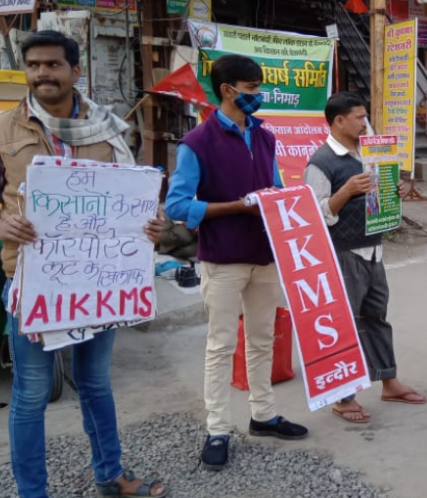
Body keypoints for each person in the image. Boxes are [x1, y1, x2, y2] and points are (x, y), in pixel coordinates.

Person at [0, 30, 167, 498]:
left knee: (95, 383)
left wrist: (150, 224)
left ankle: (111, 476)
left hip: (99, 283)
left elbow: (131, 200)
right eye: (33, 65)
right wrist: (3, 226)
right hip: (34, 283)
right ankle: (32, 492)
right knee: (32, 393)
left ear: (75, 70)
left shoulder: (111, 130)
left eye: (52, 64)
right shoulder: (1, 130)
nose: (42, 73)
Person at [165, 54, 308, 471]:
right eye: (252, 88)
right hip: (223, 258)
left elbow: (275, 187)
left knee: (262, 340)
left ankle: (263, 414)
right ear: (227, 90)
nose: (258, 95)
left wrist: (282, 201)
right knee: (221, 346)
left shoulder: (265, 137)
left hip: (264, 256)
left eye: (259, 87)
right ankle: (217, 429)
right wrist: (236, 207)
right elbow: (177, 205)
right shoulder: (196, 143)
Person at [304, 92, 427, 423]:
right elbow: (315, 215)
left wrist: (393, 191)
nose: (365, 123)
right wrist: (346, 192)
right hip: (343, 253)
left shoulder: (371, 152)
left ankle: (388, 379)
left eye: (365, 116)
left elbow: (381, 194)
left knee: (377, 316)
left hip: (373, 248)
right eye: (359, 117)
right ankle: (343, 398)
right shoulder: (321, 162)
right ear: (338, 121)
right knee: (346, 324)